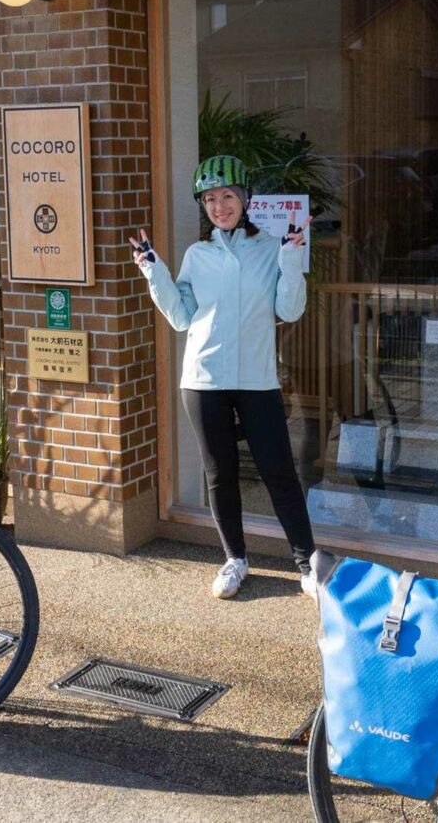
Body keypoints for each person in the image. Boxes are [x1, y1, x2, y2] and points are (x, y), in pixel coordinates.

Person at [132, 154, 317, 599]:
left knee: (278, 472)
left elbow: (289, 309)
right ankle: (235, 559)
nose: (220, 206)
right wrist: (153, 270)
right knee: (220, 473)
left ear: (246, 199)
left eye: (228, 196)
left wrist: (292, 259)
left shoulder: (271, 248)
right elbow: (181, 318)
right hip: (203, 378)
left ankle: (308, 565)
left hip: (257, 378)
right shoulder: (199, 254)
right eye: (210, 199)